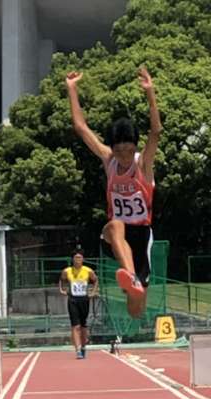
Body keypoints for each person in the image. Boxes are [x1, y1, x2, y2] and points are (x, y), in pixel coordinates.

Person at [66, 67, 162, 318]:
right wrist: (72, 88)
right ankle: (130, 275)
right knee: (116, 224)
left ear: (134, 147)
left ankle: (134, 286)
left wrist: (150, 93)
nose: (123, 156)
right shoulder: (108, 160)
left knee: (136, 311)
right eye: (118, 151)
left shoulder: (142, 164)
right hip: (115, 234)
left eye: (128, 150)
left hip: (141, 235)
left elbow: (156, 132)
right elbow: (80, 127)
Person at [59, 250, 98, 359]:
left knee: (83, 326)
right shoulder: (67, 271)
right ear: (73, 259)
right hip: (73, 300)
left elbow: (95, 280)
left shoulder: (88, 271)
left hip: (84, 300)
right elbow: (61, 279)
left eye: (80, 258)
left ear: (83, 259)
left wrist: (93, 292)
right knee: (75, 326)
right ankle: (78, 350)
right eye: (76, 258)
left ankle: (83, 347)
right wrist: (62, 290)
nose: (78, 260)